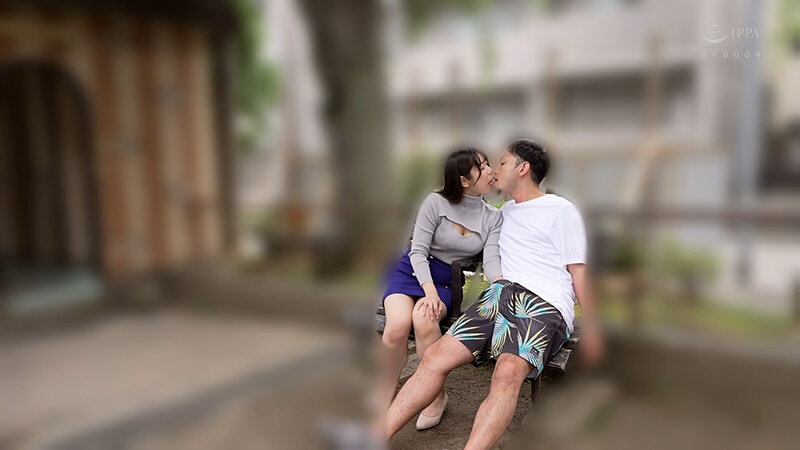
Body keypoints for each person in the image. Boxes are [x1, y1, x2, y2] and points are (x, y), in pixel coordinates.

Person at [384, 139, 604, 449]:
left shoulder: (561, 210)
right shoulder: (503, 213)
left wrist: (592, 325)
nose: (494, 170)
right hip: (499, 293)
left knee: (506, 373)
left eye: (501, 162)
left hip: (542, 301)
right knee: (434, 357)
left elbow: (578, 271)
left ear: (523, 168)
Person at [378, 147, 503, 431]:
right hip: (411, 272)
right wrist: (429, 291)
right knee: (397, 324)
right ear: (464, 180)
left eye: (488, 164)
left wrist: (499, 283)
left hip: (447, 282)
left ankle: (435, 395)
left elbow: (492, 259)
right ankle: (388, 384)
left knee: (425, 318)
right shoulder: (435, 202)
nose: (490, 170)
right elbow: (418, 251)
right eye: (482, 166)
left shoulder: (492, 217)